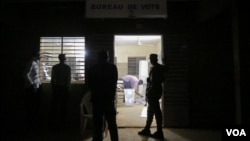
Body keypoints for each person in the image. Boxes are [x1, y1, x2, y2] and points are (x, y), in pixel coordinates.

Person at [87, 50, 119, 141]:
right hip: (108, 99)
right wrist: (112, 96)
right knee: (112, 124)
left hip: (97, 99)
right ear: (107, 57)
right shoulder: (112, 67)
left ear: (98, 57)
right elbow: (114, 83)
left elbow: (90, 85)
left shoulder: (92, 68)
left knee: (97, 124)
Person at [138, 54, 165, 140]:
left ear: (154, 59)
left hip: (154, 91)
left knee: (156, 111)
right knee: (151, 110)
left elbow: (154, 81)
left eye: (151, 59)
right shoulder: (160, 67)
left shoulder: (156, 68)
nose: (151, 60)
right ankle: (147, 129)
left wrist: (149, 89)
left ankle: (159, 131)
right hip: (155, 90)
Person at [50, 54, 71, 130]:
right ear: (65, 59)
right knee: (64, 107)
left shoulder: (55, 67)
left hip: (56, 88)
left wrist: (53, 88)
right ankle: (63, 125)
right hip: (64, 88)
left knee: (55, 108)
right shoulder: (67, 68)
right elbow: (68, 80)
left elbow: (52, 80)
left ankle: (54, 125)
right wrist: (68, 89)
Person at [24, 51, 41, 130]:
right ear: (35, 55)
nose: (40, 55)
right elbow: (25, 74)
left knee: (35, 107)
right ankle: (30, 126)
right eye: (39, 54)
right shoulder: (31, 63)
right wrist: (31, 85)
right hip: (31, 88)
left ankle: (33, 125)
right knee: (31, 107)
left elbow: (35, 75)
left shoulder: (36, 63)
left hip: (35, 87)